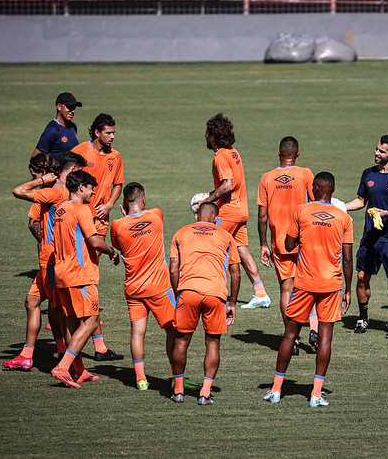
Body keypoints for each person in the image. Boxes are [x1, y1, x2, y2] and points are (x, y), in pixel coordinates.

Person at [263, 172, 353, 407]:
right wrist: (349, 289)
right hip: (331, 285)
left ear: (314, 188)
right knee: (325, 339)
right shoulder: (343, 218)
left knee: (290, 335)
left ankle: (275, 390)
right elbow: (348, 259)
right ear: (332, 190)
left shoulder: (301, 211)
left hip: (303, 283)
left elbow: (288, 244)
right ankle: (315, 394)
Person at [3, 151, 84, 371]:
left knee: (60, 310)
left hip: (51, 259)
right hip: (50, 257)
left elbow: (18, 192)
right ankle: (29, 355)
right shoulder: (68, 193)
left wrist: (41, 182)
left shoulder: (56, 191)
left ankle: (72, 363)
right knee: (33, 302)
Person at [49, 170, 120, 388]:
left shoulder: (60, 209)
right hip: (80, 275)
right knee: (91, 321)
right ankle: (63, 367)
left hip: (61, 274)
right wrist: (113, 252)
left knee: (72, 322)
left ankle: (77, 370)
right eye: (90, 188)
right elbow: (95, 242)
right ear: (81, 187)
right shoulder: (81, 210)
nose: (93, 192)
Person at [169, 201, 241, 405]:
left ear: (196, 216)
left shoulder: (180, 233)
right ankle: (205, 393)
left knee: (181, 342)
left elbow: (173, 269)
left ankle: (179, 390)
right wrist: (232, 302)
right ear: (216, 218)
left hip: (188, 291)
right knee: (212, 342)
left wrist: (178, 293)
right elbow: (235, 273)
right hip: (215, 294)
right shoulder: (226, 236)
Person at [111, 182, 181, 391]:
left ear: (124, 202)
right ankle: (175, 375)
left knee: (137, 333)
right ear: (143, 200)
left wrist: (125, 217)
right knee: (172, 330)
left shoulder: (117, 225)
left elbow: (117, 245)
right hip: (159, 288)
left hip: (133, 288)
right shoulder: (156, 215)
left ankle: (141, 379)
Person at [200, 113, 270, 309]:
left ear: (212, 136)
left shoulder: (221, 156)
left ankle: (217, 294)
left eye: (207, 133)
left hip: (229, 212)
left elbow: (228, 185)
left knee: (213, 248)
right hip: (242, 210)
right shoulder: (233, 152)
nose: (204, 135)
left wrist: (207, 200)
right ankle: (261, 293)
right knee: (242, 251)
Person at [346, 135, 388, 338]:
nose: (376, 153)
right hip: (370, 237)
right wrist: (339, 207)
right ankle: (363, 317)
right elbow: (360, 201)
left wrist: (387, 213)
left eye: (381, 151)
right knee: (361, 277)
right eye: (376, 149)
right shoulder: (368, 174)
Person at [257, 136, 317, 353]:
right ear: (298, 153)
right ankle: (314, 329)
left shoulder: (266, 178)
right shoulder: (306, 174)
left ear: (278, 153)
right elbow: (316, 204)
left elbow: (262, 216)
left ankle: (292, 338)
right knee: (310, 285)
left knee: (286, 289)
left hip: (280, 243)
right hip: (305, 240)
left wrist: (263, 244)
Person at [72, 113, 124, 361]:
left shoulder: (115, 157)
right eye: (109, 132)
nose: (113, 136)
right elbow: (67, 178)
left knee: (89, 279)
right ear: (97, 133)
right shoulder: (81, 151)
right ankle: (83, 343)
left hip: (99, 222)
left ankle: (99, 347)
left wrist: (110, 204)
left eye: (114, 132)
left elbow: (118, 184)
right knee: (85, 281)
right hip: (79, 220)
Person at [32, 92, 82, 163]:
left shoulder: (73, 127)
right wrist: (48, 174)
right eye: (69, 107)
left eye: (74, 107)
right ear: (59, 107)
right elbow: (34, 160)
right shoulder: (53, 130)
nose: (73, 111)